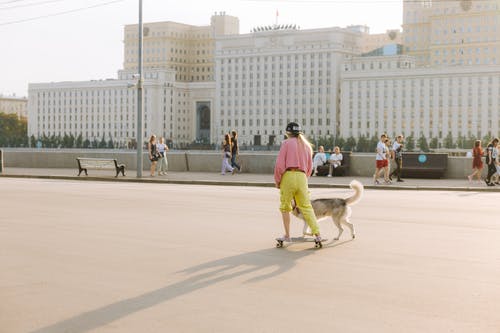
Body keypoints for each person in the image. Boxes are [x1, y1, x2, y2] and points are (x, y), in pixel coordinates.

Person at [274, 122, 322, 243]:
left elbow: (279, 165)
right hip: (302, 176)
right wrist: (303, 179)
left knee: (285, 207)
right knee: (306, 207)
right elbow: (310, 168)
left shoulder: (286, 143)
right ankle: (317, 235)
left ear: (288, 133)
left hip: (288, 176)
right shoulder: (307, 146)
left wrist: (278, 181)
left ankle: (287, 235)